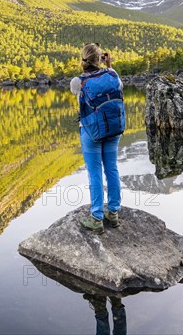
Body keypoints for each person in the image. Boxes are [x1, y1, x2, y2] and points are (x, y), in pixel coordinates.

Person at [70, 43, 124, 234]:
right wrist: (109, 66)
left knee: (95, 173)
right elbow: (118, 85)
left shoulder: (77, 82)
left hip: (91, 132)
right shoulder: (113, 75)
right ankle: (114, 212)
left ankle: (96, 217)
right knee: (112, 168)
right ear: (100, 58)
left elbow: (75, 93)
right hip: (113, 130)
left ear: (83, 60)